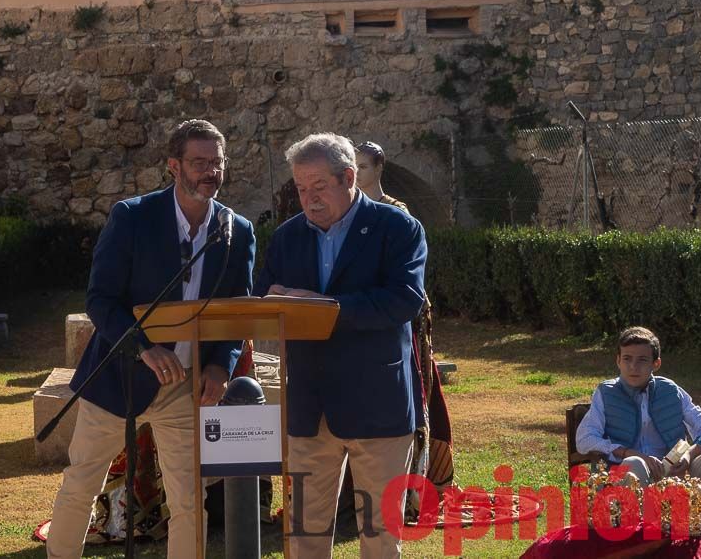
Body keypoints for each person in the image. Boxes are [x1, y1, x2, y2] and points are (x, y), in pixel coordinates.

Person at [46, 120, 256, 559]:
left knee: (188, 500)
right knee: (82, 482)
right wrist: (144, 347)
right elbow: (101, 300)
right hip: (117, 377)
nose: (210, 172)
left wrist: (220, 365)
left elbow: (236, 313)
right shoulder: (133, 217)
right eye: (199, 162)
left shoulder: (238, 230)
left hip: (185, 384)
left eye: (217, 162)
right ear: (173, 166)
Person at [256, 133, 427, 558]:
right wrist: (269, 300)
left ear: (349, 177)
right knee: (304, 536)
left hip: (378, 405)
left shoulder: (398, 228)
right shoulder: (287, 237)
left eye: (319, 187)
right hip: (309, 407)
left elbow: (404, 300)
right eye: (300, 188)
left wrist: (324, 307)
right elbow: (263, 299)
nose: (308, 199)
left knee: (380, 537)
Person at [353, 141, 457, 526]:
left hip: (404, 321)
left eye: (362, 165)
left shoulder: (396, 213)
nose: (358, 173)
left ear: (378, 167)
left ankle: (412, 491)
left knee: (415, 397)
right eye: (353, 165)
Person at [576, 327, 701, 495]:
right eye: (627, 359)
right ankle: (636, 521)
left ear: (656, 364)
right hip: (625, 472)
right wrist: (626, 452)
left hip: (672, 472)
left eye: (642, 360)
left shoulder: (670, 390)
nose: (633, 366)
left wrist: (688, 456)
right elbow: (585, 439)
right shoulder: (606, 393)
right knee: (635, 463)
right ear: (618, 361)